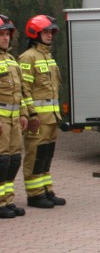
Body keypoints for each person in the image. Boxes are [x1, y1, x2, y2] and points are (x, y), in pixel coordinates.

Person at [19, 15, 65, 209]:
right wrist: (31, 115)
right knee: (34, 155)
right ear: (35, 33)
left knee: (46, 154)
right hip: (37, 118)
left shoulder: (47, 56)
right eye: (46, 32)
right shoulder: (28, 57)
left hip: (51, 117)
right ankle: (34, 194)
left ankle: (46, 189)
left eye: (51, 32)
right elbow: (24, 89)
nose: (49, 36)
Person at [0, 15, 27, 218]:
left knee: (13, 160)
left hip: (14, 119)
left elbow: (21, 91)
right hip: (1, 120)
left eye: (7, 34)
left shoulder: (10, 59)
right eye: (1, 34)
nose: (5, 38)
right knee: (1, 161)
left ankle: (7, 200)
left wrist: (24, 114)